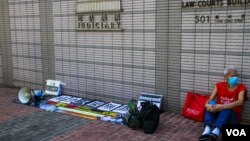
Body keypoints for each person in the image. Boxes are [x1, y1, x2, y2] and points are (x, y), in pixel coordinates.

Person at [198, 66, 247, 141]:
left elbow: (240, 102)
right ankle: (207, 131)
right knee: (211, 103)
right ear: (226, 77)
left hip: (231, 117)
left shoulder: (241, 87)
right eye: (232, 76)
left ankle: (216, 131)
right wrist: (207, 105)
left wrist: (222, 106)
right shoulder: (219, 85)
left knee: (227, 108)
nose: (235, 78)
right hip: (219, 115)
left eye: (236, 76)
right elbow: (210, 99)